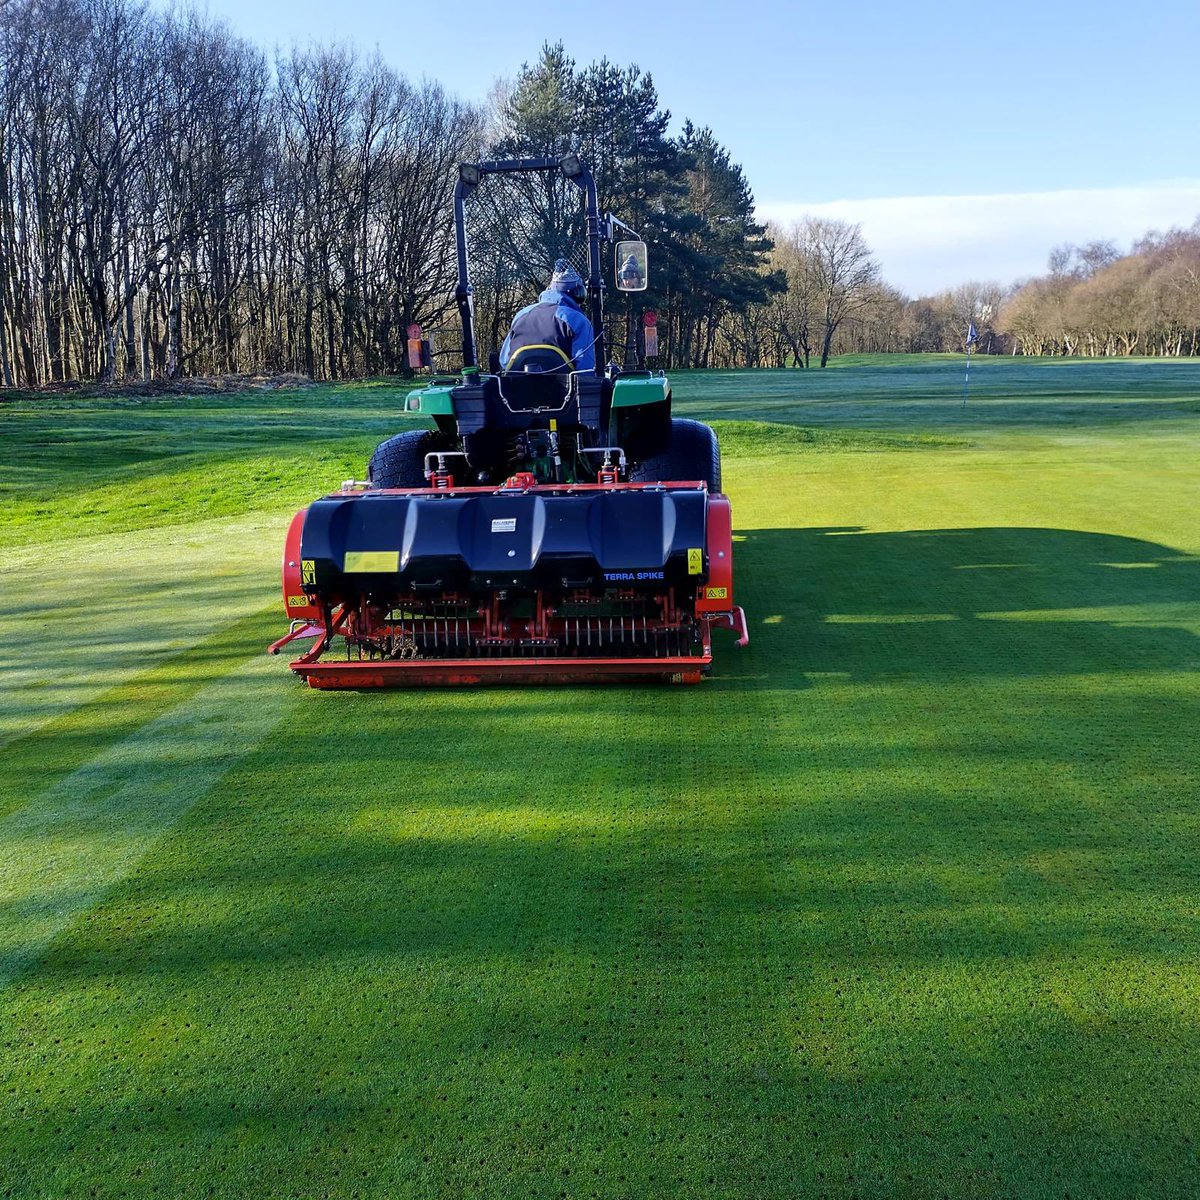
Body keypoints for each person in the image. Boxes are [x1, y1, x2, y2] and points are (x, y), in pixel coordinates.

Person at [500, 259, 595, 374]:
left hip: (517, 384)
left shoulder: (520, 315)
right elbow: (585, 369)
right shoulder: (578, 321)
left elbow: (505, 361)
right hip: (562, 385)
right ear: (579, 294)